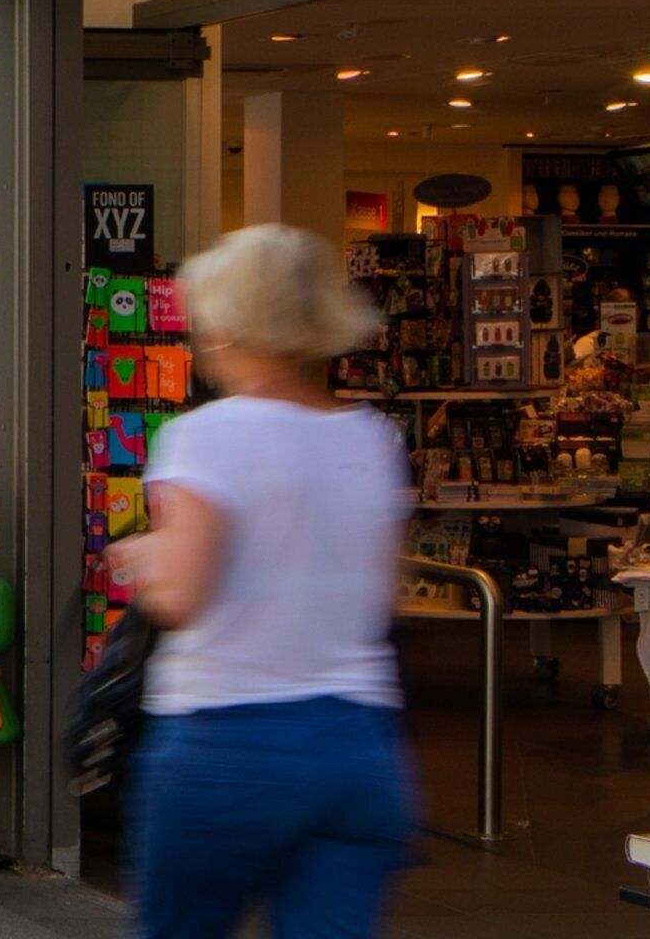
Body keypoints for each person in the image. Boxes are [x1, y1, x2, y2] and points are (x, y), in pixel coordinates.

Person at [107, 223, 415, 939]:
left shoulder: (205, 437)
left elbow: (181, 596)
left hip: (228, 742)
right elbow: (380, 599)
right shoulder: (370, 439)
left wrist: (147, 557)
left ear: (227, 323)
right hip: (357, 745)